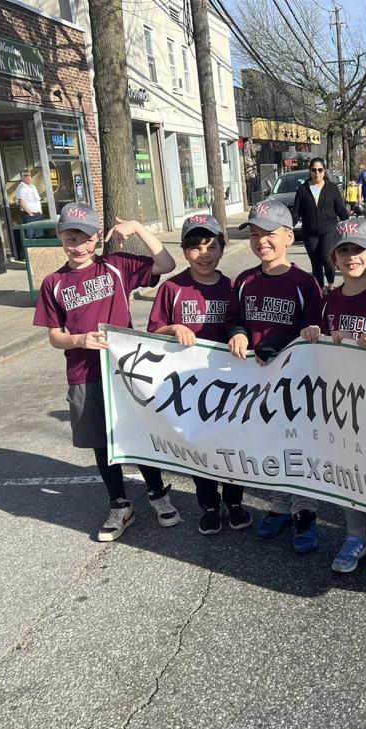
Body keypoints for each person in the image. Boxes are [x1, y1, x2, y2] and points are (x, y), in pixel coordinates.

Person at [32, 203, 178, 542]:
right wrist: (78, 339)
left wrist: (138, 227)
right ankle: (119, 504)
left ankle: (157, 493)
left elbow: (166, 264)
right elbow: (54, 337)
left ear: (98, 237)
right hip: (84, 374)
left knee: (138, 435)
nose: (79, 247)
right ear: (60, 237)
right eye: (71, 239)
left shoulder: (115, 266)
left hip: (125, 370)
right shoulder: (54, 283)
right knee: (102, 442)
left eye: (86, 239)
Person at [300, 217, 366, 573]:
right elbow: (320, 342)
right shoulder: (329, 301)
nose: (351, 257)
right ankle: (355, 535)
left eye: (359, 249)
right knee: (347, 470)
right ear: (334, 258)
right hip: (340, 402)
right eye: (344, 251)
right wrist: (313, 335)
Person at [227, 199, 325, 552]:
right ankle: (281, 502)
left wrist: (282, 341)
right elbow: (234, 318)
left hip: (295, 383)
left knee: (298, 445)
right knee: (270, 444)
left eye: (269, 233)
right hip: (256, 382)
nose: (261, 241)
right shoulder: (244, 281)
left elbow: (314, 329)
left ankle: (305, 510)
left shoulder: (305, 282)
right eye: (254, 234)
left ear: (288, 237)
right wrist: (238, 331)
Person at [147, 213, 250, 535]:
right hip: (189, 387)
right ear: (183, 250)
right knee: (199, 448)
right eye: (195, 247)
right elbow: (152, 332)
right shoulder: (172, 288)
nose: (204, 254)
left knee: (232, 446)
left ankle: (234, 502)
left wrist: (239, 334)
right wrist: (173, 328)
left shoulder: (232, 287)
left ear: (222, 249)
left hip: (229, 384)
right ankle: (208, 505)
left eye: (211, 246)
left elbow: (242, 325)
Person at [292, 157, 349, 293]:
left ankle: (331, 285)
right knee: (315, 262)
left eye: (320, 170)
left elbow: (341, 210)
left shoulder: (332, 188)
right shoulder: (303, 189)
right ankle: (319, 290)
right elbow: (296, 213)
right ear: (310, 171)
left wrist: (349, 223)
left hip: (328, 229)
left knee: (326, 257)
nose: (317, 173)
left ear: (324, 171)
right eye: (314, 170)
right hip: (309, 232)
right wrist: (287, 226)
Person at [15, 169, 43, 249]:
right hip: (29, 216)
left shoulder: (33, 186)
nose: (28, 177)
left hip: (38, 214)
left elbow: (37, 200)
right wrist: (30, 213)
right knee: (30, 236)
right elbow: (21, 202)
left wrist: (40, 211)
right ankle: (27, 253)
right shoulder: (21, 188)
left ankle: (39, 252)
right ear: (22, 177)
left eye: (29, 175)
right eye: (25, 176)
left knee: (39, 235)